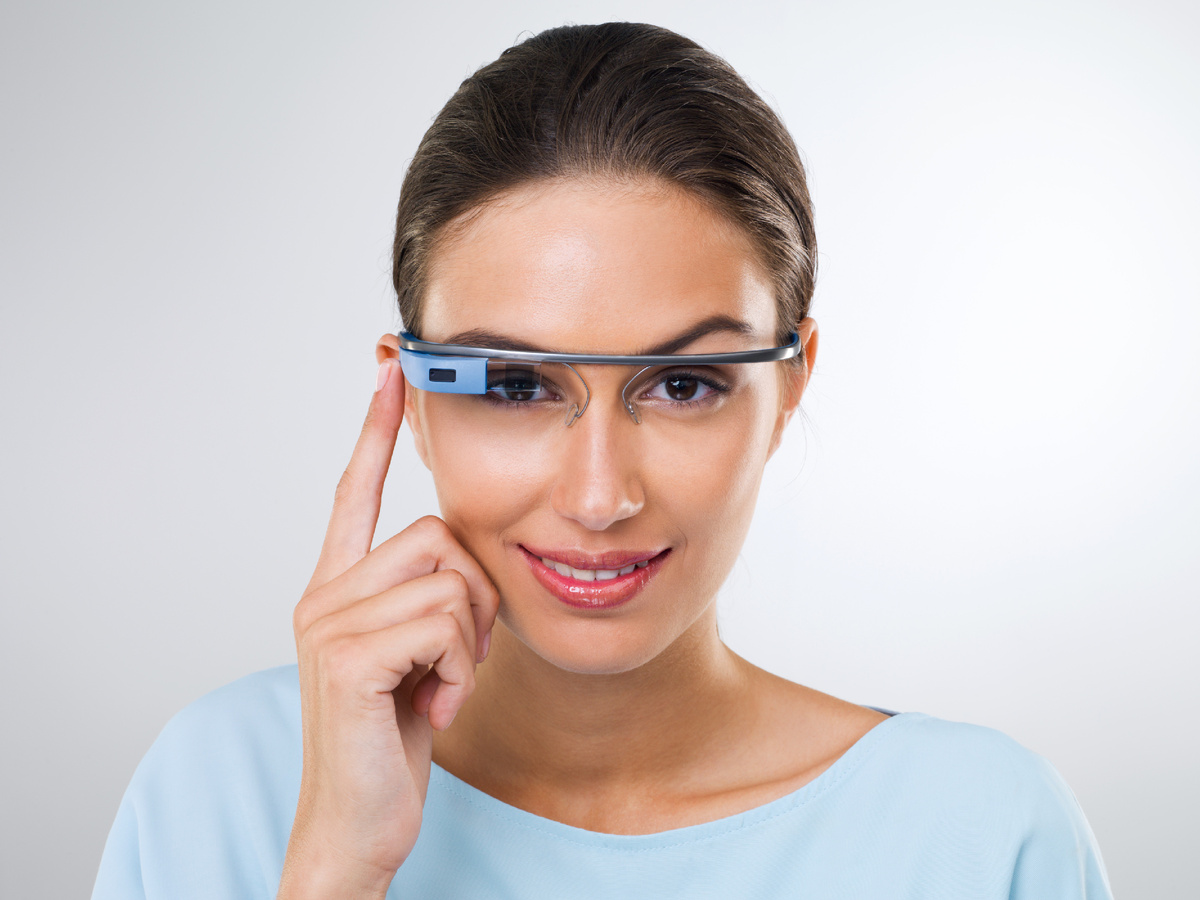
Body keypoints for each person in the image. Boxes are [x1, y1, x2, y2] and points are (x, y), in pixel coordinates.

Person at [92, 21, 1113, 900]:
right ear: (409, 399)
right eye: (513, 385)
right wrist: (334, 866)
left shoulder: (981, 832)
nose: (597, 497)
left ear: (791, 386)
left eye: (684, 385)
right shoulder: (217, 786)